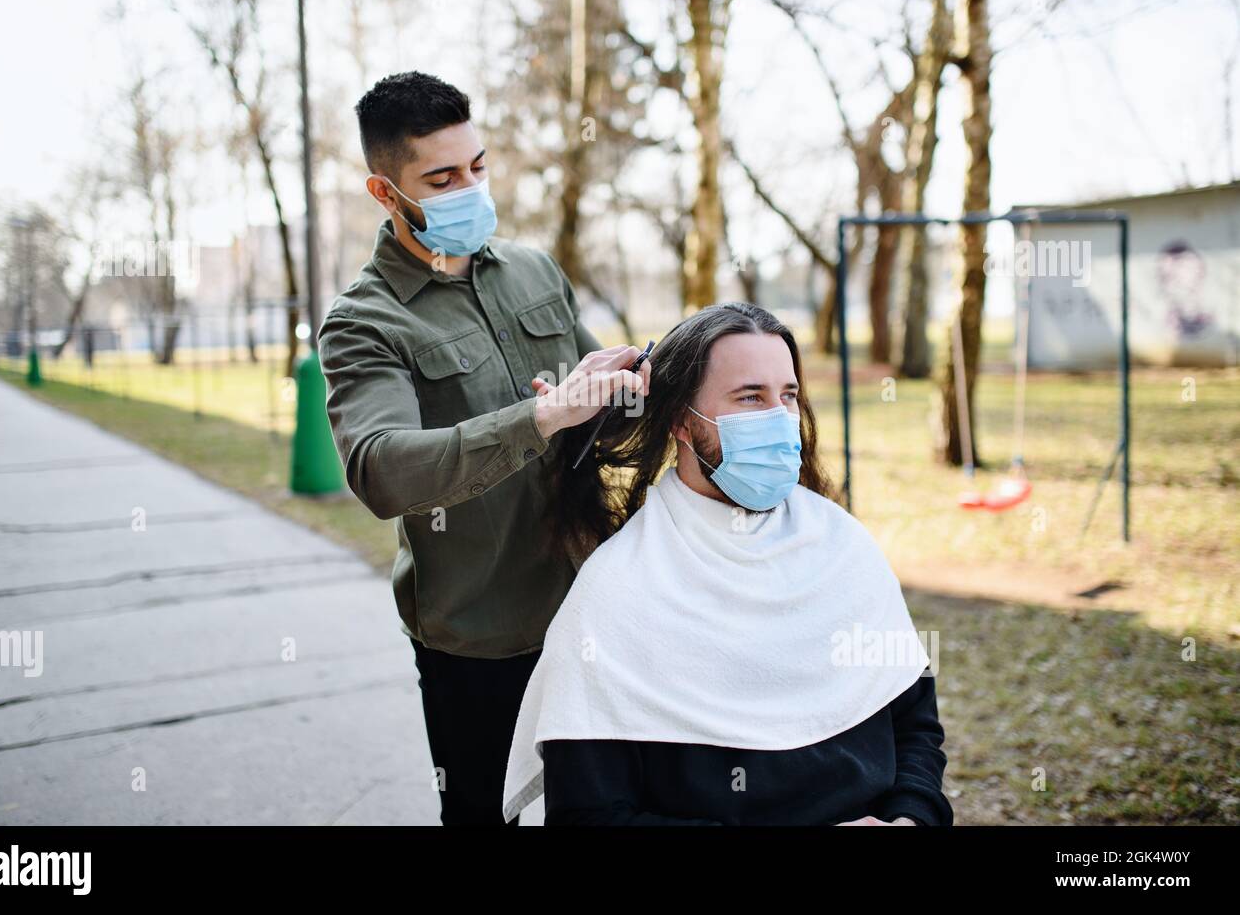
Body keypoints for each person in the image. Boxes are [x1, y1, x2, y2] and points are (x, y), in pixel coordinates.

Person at [316, 71, 651, 826]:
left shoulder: (534, 270)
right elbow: (381, 469)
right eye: (440, 178)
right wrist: (536, 420)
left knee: (609, 810)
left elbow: (602, 420)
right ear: (385, 193)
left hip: (590, 611)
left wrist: (635, 391)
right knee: (484, 818)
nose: (469, 188)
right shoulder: (364, 323)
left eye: (478, 166)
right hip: (479, 644)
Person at [502, 302, 952, 826]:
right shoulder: (616, 593)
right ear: (682, 423)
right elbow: (590, 815)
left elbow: (915, 723)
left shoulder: (845, 547)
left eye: (787, 395)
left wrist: (911, 818)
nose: (780, 419)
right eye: (750, 397)